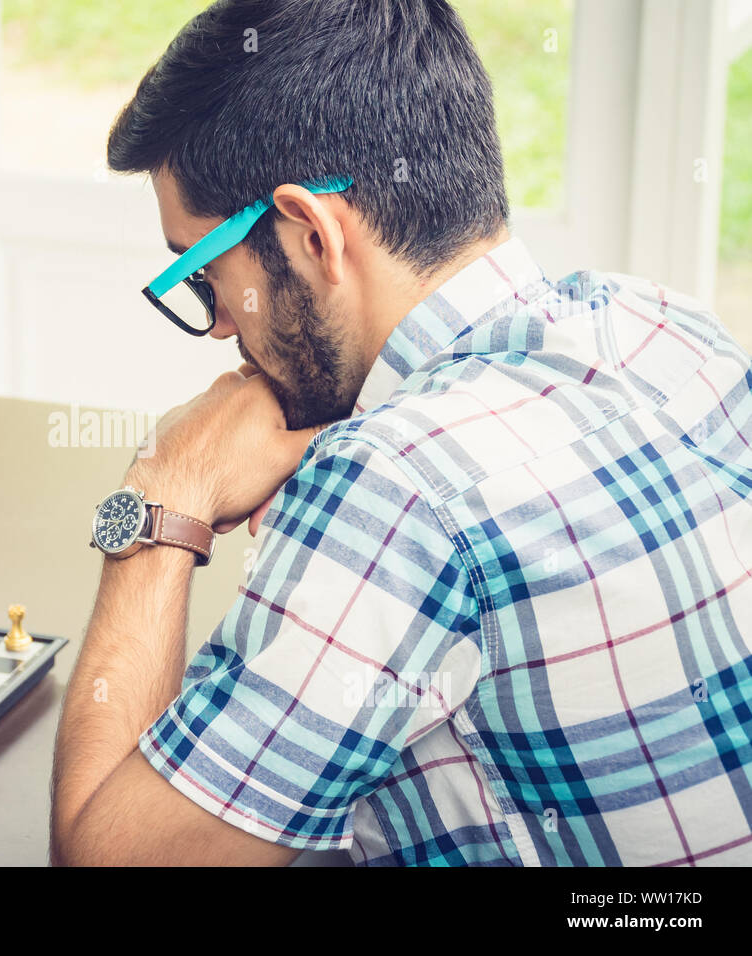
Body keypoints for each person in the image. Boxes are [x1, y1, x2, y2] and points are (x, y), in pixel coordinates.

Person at [50, 0, 752, 866]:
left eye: (203, 273)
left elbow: (111, 859)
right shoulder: (668, 327)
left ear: (311, 233)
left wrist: (164, 494)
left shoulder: (399, 484)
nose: (223, 326)